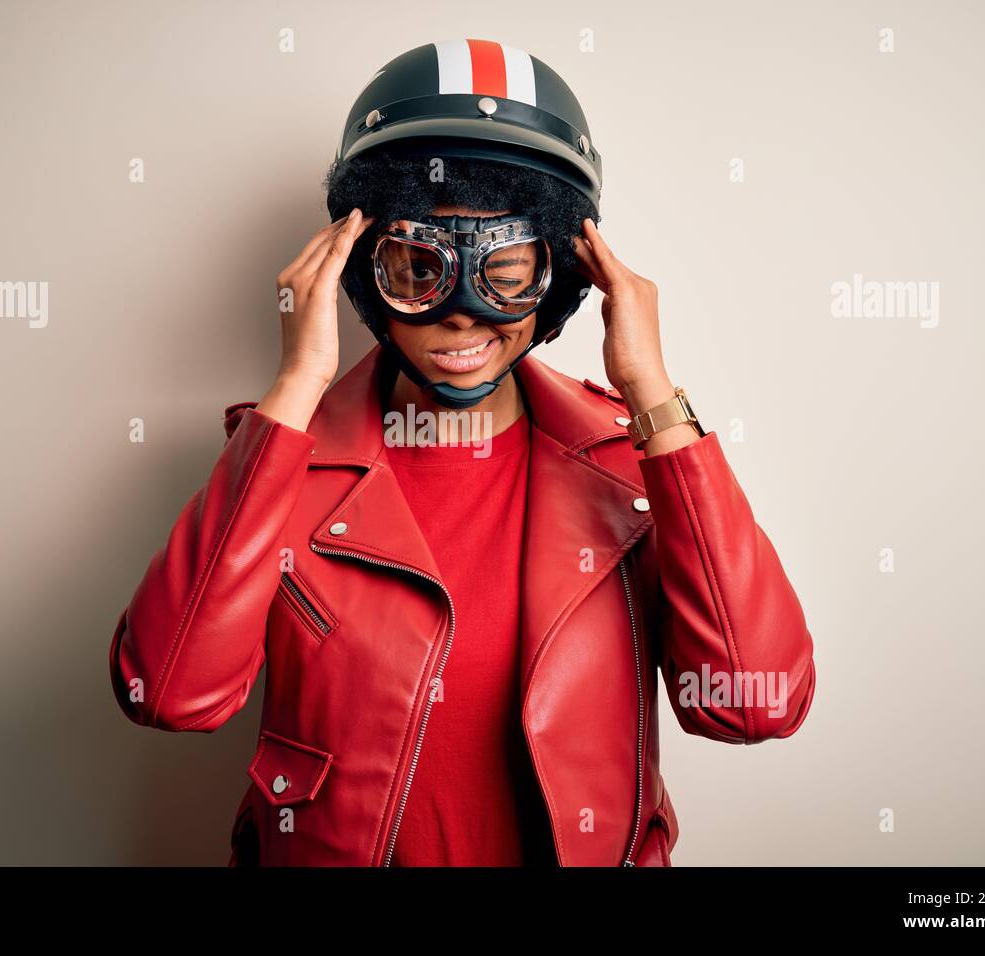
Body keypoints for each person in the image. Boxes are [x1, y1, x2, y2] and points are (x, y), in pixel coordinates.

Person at [109, 38, 816, 867]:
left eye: (509, 269)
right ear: (361, 272)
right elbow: (166, 692)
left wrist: (655, 398)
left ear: (563, 276)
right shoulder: (283, 469)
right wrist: (298, 382)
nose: (464, 313)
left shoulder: (629, 467)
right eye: (418, 267)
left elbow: (753, 704)